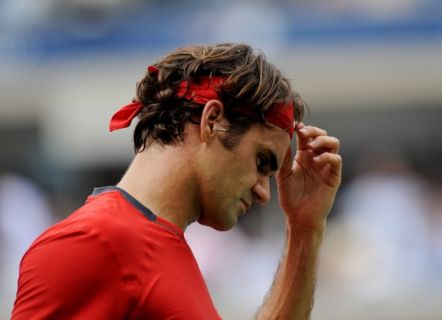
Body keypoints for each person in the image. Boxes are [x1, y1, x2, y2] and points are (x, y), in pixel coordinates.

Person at [12, 43, 342, 319]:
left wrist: (305, 228)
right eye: (260, 162)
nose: (263, 193)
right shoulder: (91, 242)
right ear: (211, 121)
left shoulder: (159, 244)